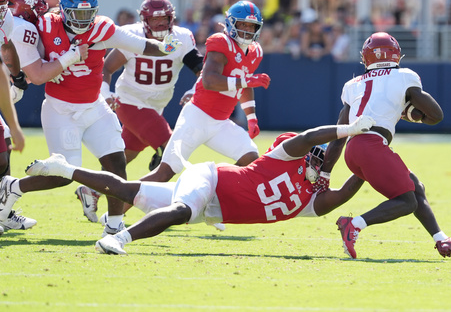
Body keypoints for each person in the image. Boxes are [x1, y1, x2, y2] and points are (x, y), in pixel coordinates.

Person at [24, 116, 376, 255]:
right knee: (179, 211)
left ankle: (65, 169)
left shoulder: (310, 201)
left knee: (127, 191)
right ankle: (117, 238)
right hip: (210, 179)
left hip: (215, 207)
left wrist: (368, 165)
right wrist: (350, 130)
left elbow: (343, 193)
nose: (317, 158)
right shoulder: (282, 156)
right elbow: (312, 136)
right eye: (312, 155)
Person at [0, 0, 182, 235]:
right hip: (60, 110)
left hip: (94, 106)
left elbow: (138, 44)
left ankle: (114, 226)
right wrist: (48, 66)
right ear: (63, 11)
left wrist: (165, 48)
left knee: (117, 164)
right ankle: (14, 187)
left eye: (88, 13)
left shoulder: (103, 28)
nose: (84, 20)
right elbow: (30, 63)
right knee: (62, 175)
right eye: (78, 14)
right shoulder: (43, 26)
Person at [317, 32, 451, 259]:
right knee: (407, 202)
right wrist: (411, 113)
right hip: (372, 145)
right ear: (396, 55)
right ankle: (353, 224)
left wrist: (325, 172)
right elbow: (436, 116)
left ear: (366, 58)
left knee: (415, 187)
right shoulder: (404, 76)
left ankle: (442, 240)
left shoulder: (352, 85)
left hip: (354, 149)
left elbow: (339, 135)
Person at [75, 0, 204, 224]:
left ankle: (92, 191)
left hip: (156, 107)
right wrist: (106, 94)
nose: (160, 24)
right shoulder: (133, 35)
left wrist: (196, 88)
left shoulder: (181, 38)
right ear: (144, 20)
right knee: (171, 153)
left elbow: (200, 68)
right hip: (130, 101)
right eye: (155, 20)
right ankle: (120, 213)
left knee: (120, 161)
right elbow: (106, 68)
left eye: (164, 18)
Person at [139, 0, 270, 184]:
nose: (247, 29)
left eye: (252, 26)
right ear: (232, 23)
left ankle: (216, 196)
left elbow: (244, 84)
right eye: (243, 24)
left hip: (221, 122)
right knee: (164, 174)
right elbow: (210, 81)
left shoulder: (255, 51)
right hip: (197, 117)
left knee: (250, 157)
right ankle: (115, 207)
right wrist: (247, 80)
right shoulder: (221, 42)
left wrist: (251, 117)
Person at [0, 0, 37, 232]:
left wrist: (16, 73)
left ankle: (4, 212)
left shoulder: (6, 19)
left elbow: (6, 43)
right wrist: (15, 125)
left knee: (3, 153)